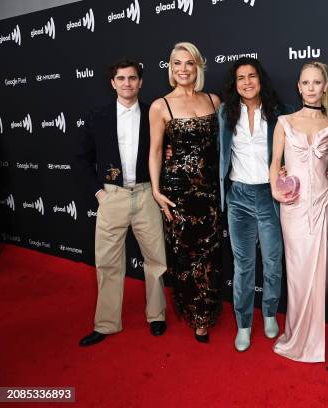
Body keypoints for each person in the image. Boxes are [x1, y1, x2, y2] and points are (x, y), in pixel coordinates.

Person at [76, 58, 167, 347]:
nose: (127, 83)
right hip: (112, 196)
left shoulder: (154, 113)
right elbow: (81, 158)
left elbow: (164, 153)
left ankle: (157, 316)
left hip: (145, 195)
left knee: (156, 260)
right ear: (113, 83)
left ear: (140, 82)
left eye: (132, 78)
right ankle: (106, 323)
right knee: (107, 263)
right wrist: (99, 194)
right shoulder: (97, 116)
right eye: (121, 78)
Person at [149, 42, 222, 343]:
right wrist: (155, 190)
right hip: (177, 193)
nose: (182, 69)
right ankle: (194, 315)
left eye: (189, 63)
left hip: (209, 190)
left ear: (198, 67)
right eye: (177, 63)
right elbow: (154, 151)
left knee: (210, 254)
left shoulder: (214, 100)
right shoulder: (160, 105)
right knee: (185, 256)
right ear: (170, 68)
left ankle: (207, 313)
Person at [218, 57, 293, 351]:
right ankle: (244, 323)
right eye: (241, 78)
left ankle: (271, 313)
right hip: (238, 198)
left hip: (270, 196)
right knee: (244, 265)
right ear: (234, 84)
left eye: (252, 76)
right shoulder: (225, 113)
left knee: (273, 262)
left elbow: (296, 149)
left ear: (260, 80)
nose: (247, 82)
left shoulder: (279, 113)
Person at [270, 62, 328, 362]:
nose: (311, 88)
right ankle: (295, 334)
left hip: (322, 203)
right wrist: (275, 189)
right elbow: (274, 163)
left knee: (318, 272)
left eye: (316, 82)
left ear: (324, 87)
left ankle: (314, 340)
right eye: (305, 82)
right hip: (293, 207)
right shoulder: (284, 121)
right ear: (298, 87)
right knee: (297, 273)